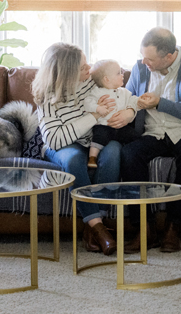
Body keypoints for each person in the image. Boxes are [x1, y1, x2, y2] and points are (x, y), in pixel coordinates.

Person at [121, 27, 181, 253]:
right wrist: (127, 109)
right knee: (129, 154)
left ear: (169, 55)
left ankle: (174, 226)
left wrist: (159, 103)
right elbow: (128, 98)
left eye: (150, 59)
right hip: (154, 132)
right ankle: (144, 228)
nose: (144, 62)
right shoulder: (140, 68)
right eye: (143, 56)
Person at [31, 42, 134, 256]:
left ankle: (94, 228)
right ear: (67, 73)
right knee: (74, 159)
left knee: (114, 148)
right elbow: (55, 140)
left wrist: (129, 112)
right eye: (83, 67)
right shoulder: (48, 96)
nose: (90, 69)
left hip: (90, 141)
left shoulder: (89, 84)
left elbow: (120, 95)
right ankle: (99, 228)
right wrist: (93, 117)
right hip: (62, 146)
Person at [84, 59, 140, 168]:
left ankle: (130, 155)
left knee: (134, 136)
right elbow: (87, 103)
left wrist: (138, 102)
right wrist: (98, 108)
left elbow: (132, 100)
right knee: (99, 136)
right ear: (107, 79)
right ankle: (92, 158)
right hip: (104, 125)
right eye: (119, 73)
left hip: (121, 127)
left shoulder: (124, 92)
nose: (122, 75)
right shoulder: (97, 92)